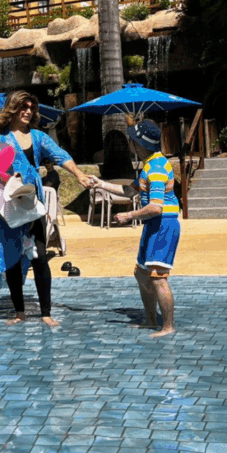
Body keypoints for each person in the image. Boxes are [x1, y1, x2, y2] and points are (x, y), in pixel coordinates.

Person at [0, 90, 91, 327]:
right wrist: (2, 176)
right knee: (13, 258)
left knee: (41, 258)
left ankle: (45, 312)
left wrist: (79, 174)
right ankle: (19, 312)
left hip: (33, 205)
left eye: (31, 107)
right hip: (9, 204)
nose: (28, 111)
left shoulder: (37, 136)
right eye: (23, 106)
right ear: (12, 109)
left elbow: (60, 155)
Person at [89, 120, 180, 338]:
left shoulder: (157, 168)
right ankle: (150, 320)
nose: (129, 143)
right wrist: (99, 183)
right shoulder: (149, 164)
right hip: (152, 225)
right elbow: (129, 192)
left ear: (140, 143)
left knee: (158, 277)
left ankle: (167, 326)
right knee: (141, 274)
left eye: (132, 139)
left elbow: (156, 207)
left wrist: (128, 215)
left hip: (163, 225)